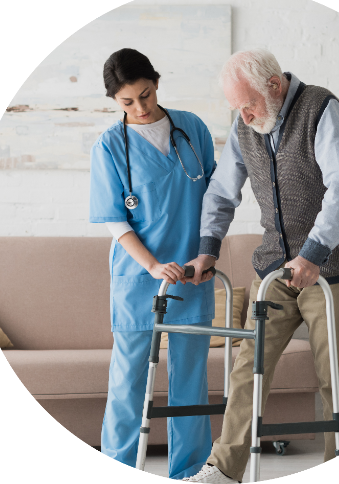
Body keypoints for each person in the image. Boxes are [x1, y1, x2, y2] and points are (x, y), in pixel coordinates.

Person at [182, 48, 339, 483]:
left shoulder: (321, 109)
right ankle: (223, 471)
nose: (245, 118)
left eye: (248, 104)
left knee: (336, 376)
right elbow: (221, 191)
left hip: (334, 263)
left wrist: (312, 254)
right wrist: (208, 249)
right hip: (275, 267)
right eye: (238, 109)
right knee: (249, 365)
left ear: (273, 85)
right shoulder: (245, 125)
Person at [89, 48, 217, 479]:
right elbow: (113, 218)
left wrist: (208, 252)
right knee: (128, 384)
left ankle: (191, 470)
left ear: (156, 82)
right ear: (114, 101)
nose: (140, 108)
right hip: (138, 277)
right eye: (127, 102)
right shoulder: (109, 145)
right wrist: (151, 266)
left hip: (192, 273)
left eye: (144, 95)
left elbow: (215, 199)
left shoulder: (192, 128)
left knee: (190, 381)